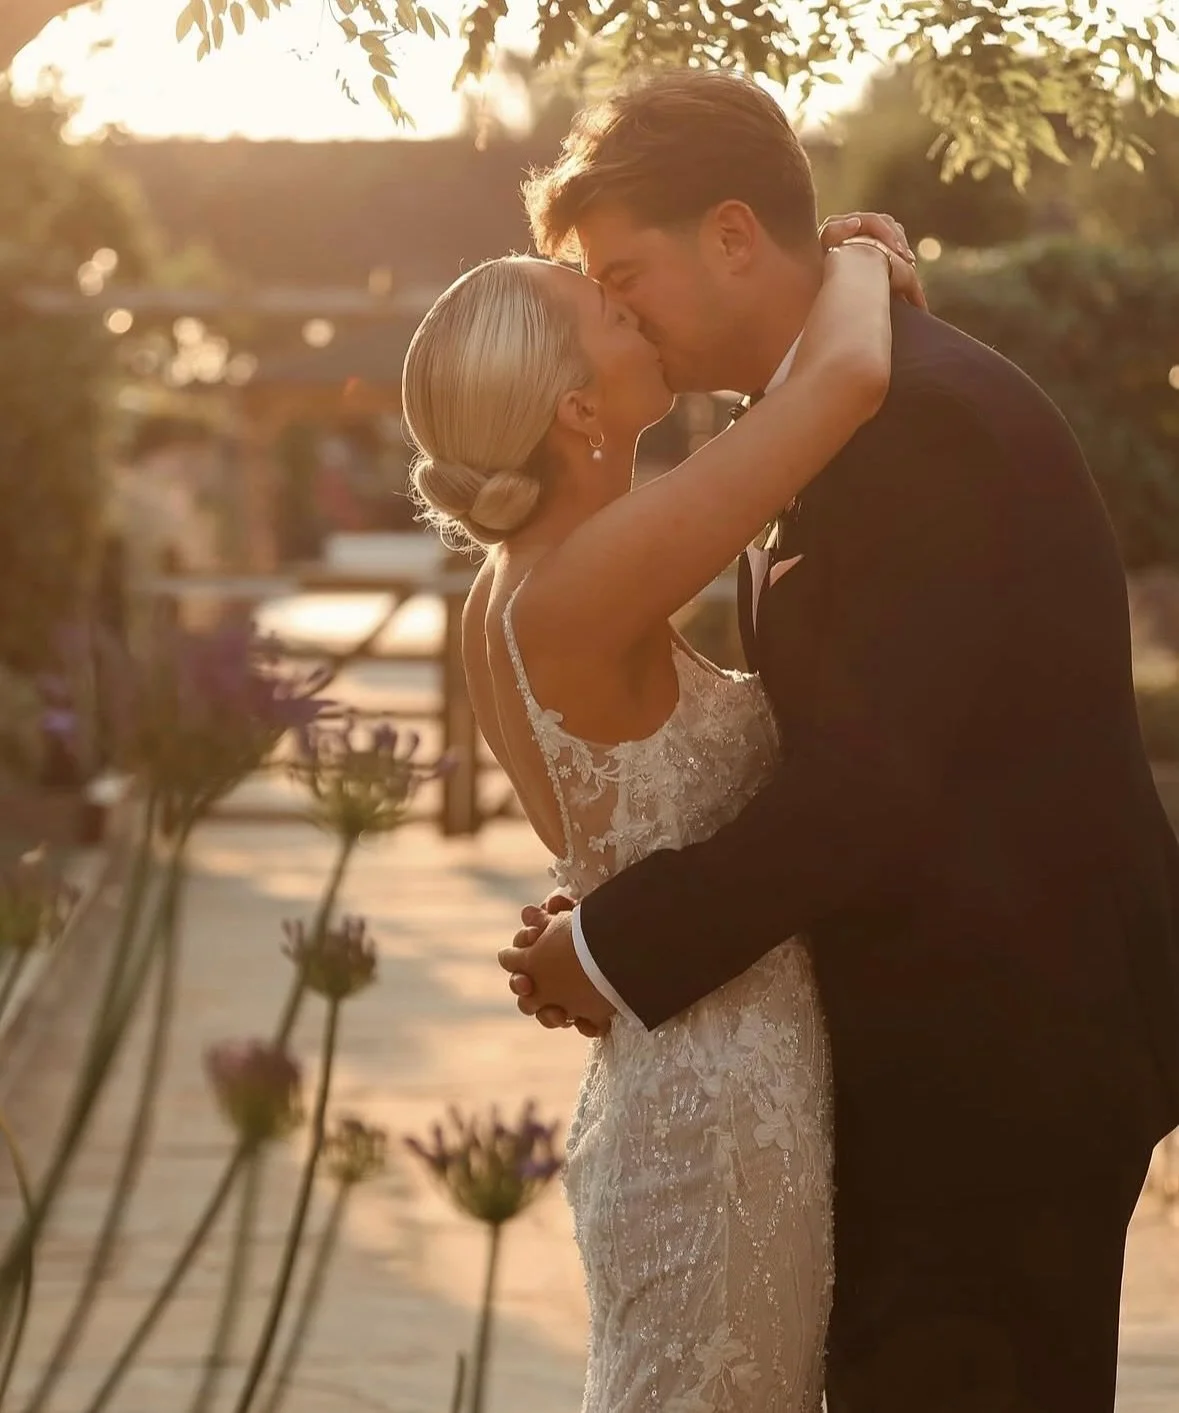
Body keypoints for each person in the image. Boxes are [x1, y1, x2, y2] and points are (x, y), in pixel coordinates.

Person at [498, 69, 1179, 1413]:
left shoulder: (916, 420)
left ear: (732, 235)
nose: (617, 313)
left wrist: (613, 946)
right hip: (946, 1042)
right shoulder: (832, 407)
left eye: (625, 275)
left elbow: (866, 791)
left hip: (1002, 1053)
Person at [402, 175, 922, 1403]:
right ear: (578, 407)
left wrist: (589, 937)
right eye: (604, 310)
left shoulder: (513, 589)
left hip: (685, 1083)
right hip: (720, 1119)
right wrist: (855, 255)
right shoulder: (586, 582)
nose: (631, 309)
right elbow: (845, 380)